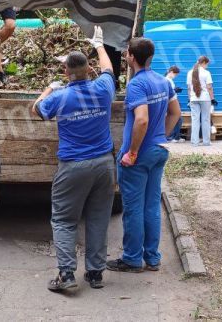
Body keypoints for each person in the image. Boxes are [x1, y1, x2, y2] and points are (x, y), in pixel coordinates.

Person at [32, 27, 116, 292]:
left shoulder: (60, 96)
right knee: (99, 218)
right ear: (89, 69)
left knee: (64, 220)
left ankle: (67, 274)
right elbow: (109, 71)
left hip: (74, 167)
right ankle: (95, 274)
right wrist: (100, 46)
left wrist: (47, 89)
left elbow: (37, 110)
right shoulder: (103, 89)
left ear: (66, 73)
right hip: (104, 165)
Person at [106, 38, 181, 273]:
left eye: (127, 53)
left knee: (134, 208)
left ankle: (132, 259)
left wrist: (133, 152)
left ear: (130, 56)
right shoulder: (163, 81)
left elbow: (141, 119)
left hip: (138, 156)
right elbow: (176, 113)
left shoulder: (137, 85)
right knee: (151, 205)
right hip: (159, 151)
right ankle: (152, 257)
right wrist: (162, 136)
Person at [186, 56, 215, 146]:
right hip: (205, 98)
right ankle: (206, 142)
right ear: (204, 63)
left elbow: (188, 88)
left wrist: (189, 98)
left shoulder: (190, 73)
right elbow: (209, 87)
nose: (207, 66)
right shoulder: (206, 73)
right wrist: (212, 98)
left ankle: (195, 142)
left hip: (193, 99)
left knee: (195, 120)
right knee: (205, 119)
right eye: (207, 64)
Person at [164, 66, 183, 142]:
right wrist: (174, 90)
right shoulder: (166, 80)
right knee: (176, 119)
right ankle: (171, 137)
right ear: (171, 72)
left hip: (174, 100)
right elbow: (167, 92)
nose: (175, 76)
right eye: (175, 74)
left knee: (178, 119)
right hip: (170, 102)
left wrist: (175, 90)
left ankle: (176, 137)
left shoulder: (170, 80)